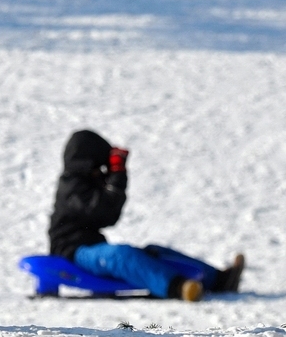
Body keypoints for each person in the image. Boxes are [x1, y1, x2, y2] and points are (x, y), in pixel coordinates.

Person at [48, 129, 245, 301]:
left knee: (153, 252)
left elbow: (109, 216)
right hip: (72, 251)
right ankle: (177, 287)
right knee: (120, 255)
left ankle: (219, 279)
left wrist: (118, 174)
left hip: (92, 247)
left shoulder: (87, 183)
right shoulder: (70, 185)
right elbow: (101, 210)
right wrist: (115, 177)